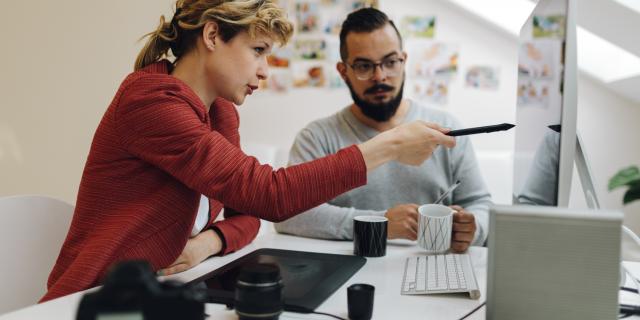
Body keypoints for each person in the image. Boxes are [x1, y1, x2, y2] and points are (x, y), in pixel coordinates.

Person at [41, 0, 456, 302]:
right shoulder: (151, 103)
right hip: (95, 300)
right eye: (258, 51)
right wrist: (387, 147)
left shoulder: (220, 111)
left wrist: (207, 243)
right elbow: (269, 195)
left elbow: (248, 214)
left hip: (166, 289)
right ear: (211, 35)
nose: (263, 70)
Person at [275, 8, 492, 251]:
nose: (380, 77)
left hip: (433, 270)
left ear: (404, 60)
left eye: (390, 62)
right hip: (349, 272)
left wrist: (473, 229)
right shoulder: (316, 137)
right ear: (343, 71)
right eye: (364, 66)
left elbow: (479, 203)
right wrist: (380, 223)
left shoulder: (446, 129)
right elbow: (289, 215)